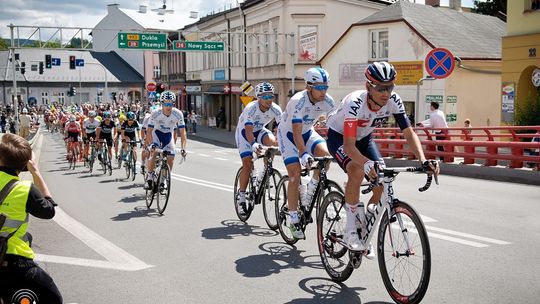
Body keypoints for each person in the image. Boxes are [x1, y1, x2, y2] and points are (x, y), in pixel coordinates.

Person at [326, 61, 440, 256]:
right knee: (357, 170)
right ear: (368, 86)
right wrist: (366, 162)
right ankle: (351, 231)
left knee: (383, 177)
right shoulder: (354, 103)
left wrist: (423, 160)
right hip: (340, 138)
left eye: (389, 87)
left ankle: (366, 220)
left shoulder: (394, 101)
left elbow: (409, 132)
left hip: (365, 139)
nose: (385, 93)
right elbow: (349, 146)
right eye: (380, 88)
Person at [0, 133, 63, 303]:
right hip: (13, 261)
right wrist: (36, 172)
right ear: (25, 164)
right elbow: (49, 211)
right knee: (53, 298)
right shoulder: (24, 189)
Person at [277, 67, 336, 239]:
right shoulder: (298, 101)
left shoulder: (328, 101)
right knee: (295, 174)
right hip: (288, 134)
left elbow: (336, 126)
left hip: (308, 132)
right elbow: (296, 133)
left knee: (326, 157)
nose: (323, 91)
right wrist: (302, 153)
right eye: (319, 87)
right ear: (309, 86)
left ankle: (311, 190)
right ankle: (294, 219)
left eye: (326, 87)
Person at [235, 82, 282, 216]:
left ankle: (264, 173)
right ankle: (241, 196)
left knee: (272, 143)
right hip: (244, 133)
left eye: (271, 96)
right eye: (265, 97)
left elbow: (281, 128)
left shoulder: (276, 109)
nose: (269, 100)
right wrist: (253, 144)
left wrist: (282, 141)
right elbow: (249, 131)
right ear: (258, 97)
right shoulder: (251, 108)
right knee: (247, 163)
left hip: (260, 130)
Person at [144, 91, 188, 190]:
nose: (168, 106)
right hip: (156, 134)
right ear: (162, 104)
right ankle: (150, 176)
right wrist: (151, 144)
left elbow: (183, 132)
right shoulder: (155, 113)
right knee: (154, 153)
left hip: (168, 135)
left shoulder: (178, 114)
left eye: (171, 104)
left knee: (171, 158)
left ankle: (163, 180)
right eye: (166, 104)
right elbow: (149, 131)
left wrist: (183, 148)